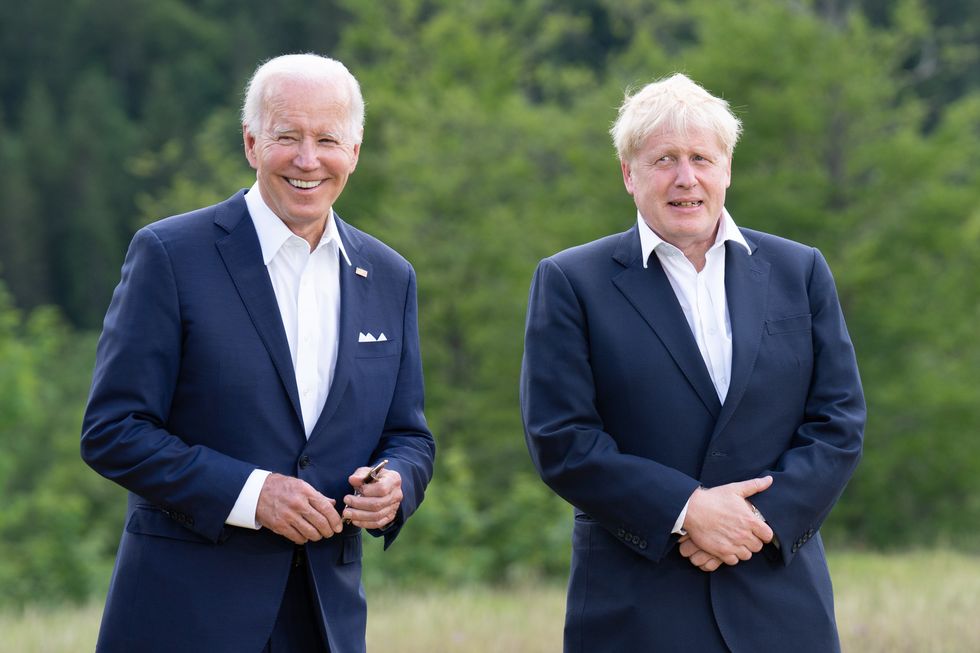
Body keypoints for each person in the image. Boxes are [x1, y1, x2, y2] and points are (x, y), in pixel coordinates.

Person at [81, 53, 435, 653]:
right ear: (251, 143)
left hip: (326, 621)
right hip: (184, 618)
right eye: (286, 137)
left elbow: (409, 435)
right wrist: (251, 494)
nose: (307, 159)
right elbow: (112, 430)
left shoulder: (391, 276)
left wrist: (394, 483)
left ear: (355, 149)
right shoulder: (168, 255)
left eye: (327, 139)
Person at [520, 73, 865, 652]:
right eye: (663, 160)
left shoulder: (798, 270)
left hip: (781, 604)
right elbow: (562, 439)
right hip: (635, 609)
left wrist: (757, 522)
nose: (686, 178)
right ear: (629, 174)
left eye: (702, 158)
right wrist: (687, 511)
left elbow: (839, 422)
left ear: (727, 168)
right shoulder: (570, 281)